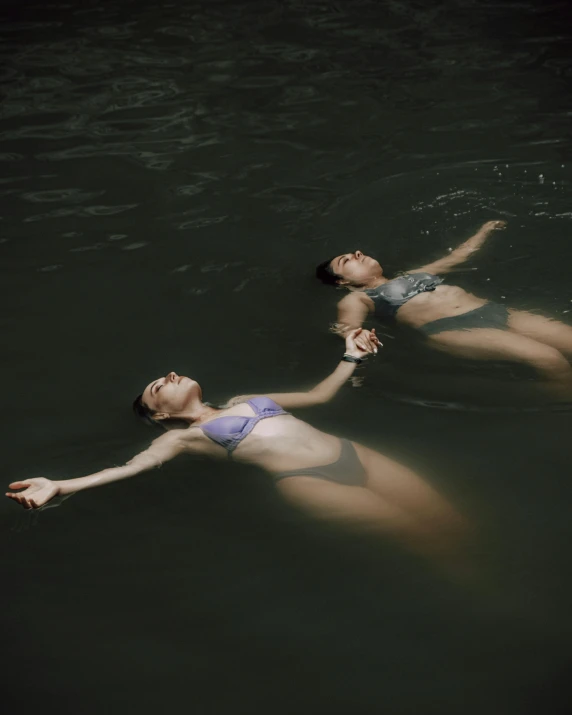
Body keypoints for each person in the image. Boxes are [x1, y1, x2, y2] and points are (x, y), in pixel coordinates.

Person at [6, 330, 466, 567]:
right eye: (157, 387)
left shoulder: (248, 398)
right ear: (160, 415)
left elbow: (321, 395)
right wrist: (61, 485)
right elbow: (128, 468)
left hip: (352, 451)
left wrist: (351, 355)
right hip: (308, 484)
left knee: (452, 521)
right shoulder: (178, 437)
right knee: (422, 540)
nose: (169, 375)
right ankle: (478, 593)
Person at [316, 221, 572, 395]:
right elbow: (347, 327)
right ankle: (559, 402)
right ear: (342, 281)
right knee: (547, 359)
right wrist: (352, 336)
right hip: (453, 329)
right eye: (347, 260)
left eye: (356, 252)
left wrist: (485, 231)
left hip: (494, 311)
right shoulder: (356, 299)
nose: (358, 253)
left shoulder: (414, 274)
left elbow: (459, 256)